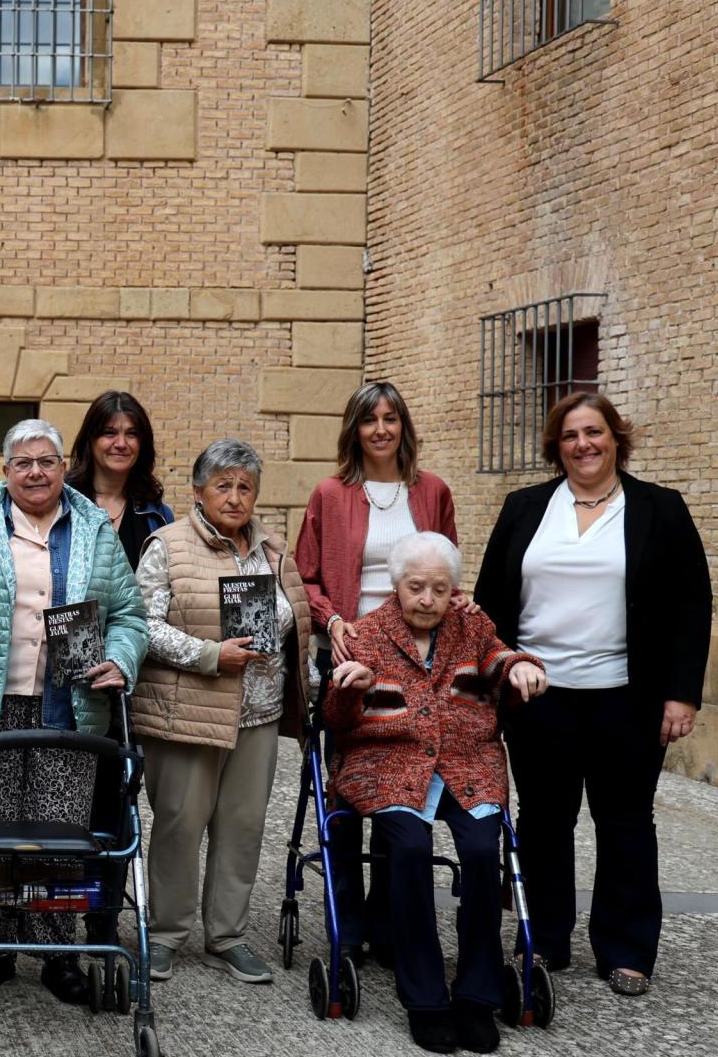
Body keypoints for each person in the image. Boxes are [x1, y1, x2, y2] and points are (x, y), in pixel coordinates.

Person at [474, 392, 711, 997]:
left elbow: (692, 606)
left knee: (626, 821)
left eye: (595, 432)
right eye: (571, 435)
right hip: (538, 696)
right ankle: (546, 940)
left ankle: (627, 948)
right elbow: (490, 602)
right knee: (545, 820)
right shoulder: (526, 508)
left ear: (615, 438)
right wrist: (494, 677)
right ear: (557, 446)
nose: (584, 444)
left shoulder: (660, 508)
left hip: (626, 698)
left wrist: (681, 695)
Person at [0, 418, 149, 1004]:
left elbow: (129, 616)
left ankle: (56, 952)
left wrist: (121, 659)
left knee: (56, 834)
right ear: (5, 470)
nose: (36, 472)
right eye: (23, 462)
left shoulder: (93, 526)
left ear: (65, 466)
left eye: (47, 461)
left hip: (67, 706)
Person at [328, 532, 548, 1054]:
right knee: (408, 848)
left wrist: (521, 668)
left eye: (440, 589)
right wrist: (349, 690)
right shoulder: (366, 634)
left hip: (466, 763)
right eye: (416, 587)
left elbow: (501, 658)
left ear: (455, 590)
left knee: (479, 852)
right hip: (387, 764)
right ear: (396, 585)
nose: (427, 599)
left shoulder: (471, 625)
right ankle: (424, 999)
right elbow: (338, 724)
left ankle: (475, 995)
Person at [131, 439, 311, 985]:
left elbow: (295, 620)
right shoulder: (167, 545)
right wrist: (211, 655)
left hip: (257, 712)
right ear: (198, 490)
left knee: (242, 827)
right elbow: (145, 625)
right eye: (223, 486)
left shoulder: (274, 551)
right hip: (188, 711)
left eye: (245, 487)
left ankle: (227, 936)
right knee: (181, 825)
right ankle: (164, 934)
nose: (235, 497)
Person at [294, 381, 459, 966]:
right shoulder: (330, 494)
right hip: (351, 654)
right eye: (370, 420)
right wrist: (331, 620)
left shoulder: (432, 491)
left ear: (403, 427)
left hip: (418, 660)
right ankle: (349, 922)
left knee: (403, 784)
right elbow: (306, 576)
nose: (381, 430)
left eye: (391, 419)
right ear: (355, 430)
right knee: (345, 786)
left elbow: (446, 573)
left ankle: (393, 923)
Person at [64, 390, 174, 947]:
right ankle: (50, 910)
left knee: (113, 798)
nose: (121, 442)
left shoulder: (156, 514)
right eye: (110, 431)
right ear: (91, 439)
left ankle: (100, 918)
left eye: (132, 433)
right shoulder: (61, 500)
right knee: (64, 796)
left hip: (127, 677)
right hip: (66, 672)